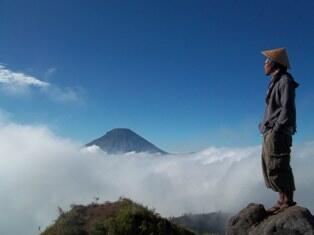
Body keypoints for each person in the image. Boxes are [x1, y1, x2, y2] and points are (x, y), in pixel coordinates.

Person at [259, 48, 299, 214]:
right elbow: (274, 109)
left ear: (274, 64)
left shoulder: (284, 80)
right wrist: (264, 124)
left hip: (279, 131)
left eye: (266, 61)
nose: (264, 65)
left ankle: (287, 201)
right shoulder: (276, 81)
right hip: (272, 130)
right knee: (271, 164)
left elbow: (286, 108)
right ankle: (281, 200)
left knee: (278, 163)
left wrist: (277, 128)